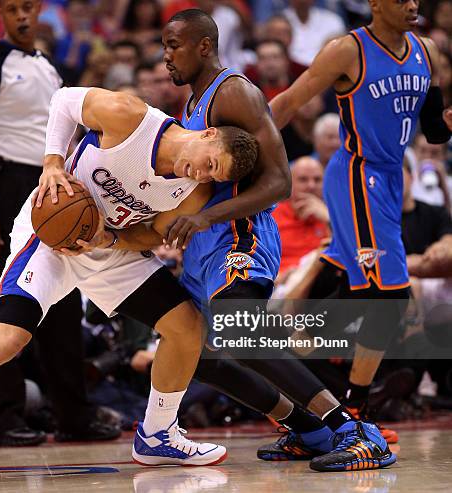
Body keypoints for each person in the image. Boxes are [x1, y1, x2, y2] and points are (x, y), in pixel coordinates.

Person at [0, 82, 259, 481]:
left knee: (187, 327)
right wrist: (53, 163)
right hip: (50, 236)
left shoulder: (194, 191)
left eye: (213, 174)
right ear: (208, 134)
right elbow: (63, 101)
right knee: (8, 337)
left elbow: (153, 233)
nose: (202, 173)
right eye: (210, 162)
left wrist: (109, 239)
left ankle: (158, 434)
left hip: (107, 247)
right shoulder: (130, 116)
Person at [160, 8, 394, 472]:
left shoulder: (235, 93)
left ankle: (353, 429)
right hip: (207, 241)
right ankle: (309, 429)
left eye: (174, 45)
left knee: (241, 330)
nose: (165, 56)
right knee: (190, 351)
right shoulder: (191, 104)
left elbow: (279, 183)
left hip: (240, 233)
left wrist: (207, 218)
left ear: (204, 46)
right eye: (164, 46)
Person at [270, 0, 452, 450]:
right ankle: (354, 414)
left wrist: (446, 125)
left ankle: (311, 413)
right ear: (374, 4)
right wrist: (247, 154)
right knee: (390, 300)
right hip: (356, 175)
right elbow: (291, 100)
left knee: (355, 297)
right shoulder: (347, 49)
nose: (412, 5)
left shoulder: (425, 50)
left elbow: (432, 127)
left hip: (391, 178)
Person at [0, 0, 119, 447]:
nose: (22, 17)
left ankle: (73, 413)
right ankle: (1, 417)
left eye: (28, 7)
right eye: (13, 10)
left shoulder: (50, 66)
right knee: (6, 303)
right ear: (2, 16)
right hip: (5, 181)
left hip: (51, 182)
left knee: (62, 297)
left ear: (40, 11)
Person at [273, 156, 329, 278]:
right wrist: (279, 278)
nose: (311, 186)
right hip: (282, 285)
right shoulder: (271, 217)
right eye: (303, 179)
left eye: (317, 180)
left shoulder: (333, 216)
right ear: (289, 183)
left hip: (322, 282)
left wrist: (328, 218)